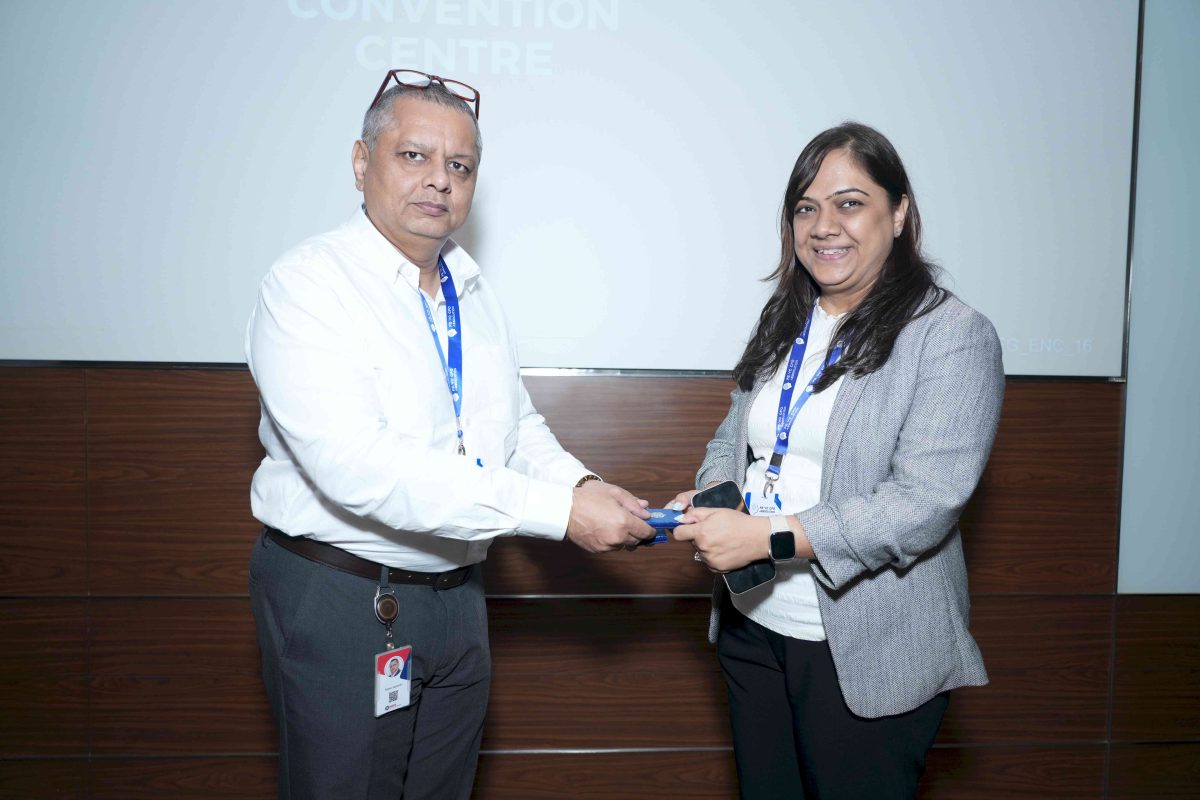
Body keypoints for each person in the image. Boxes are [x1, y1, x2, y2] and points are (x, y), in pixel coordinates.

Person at [245, 69, 655, 800]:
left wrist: (583, 485)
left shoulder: (473, 290)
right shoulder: (308, 285)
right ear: (361, 162)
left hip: (459, 595)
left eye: (460, 166)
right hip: (346, 594)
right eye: (415, 156)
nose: (440, 179)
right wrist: (559, 513)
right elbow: (358, 465)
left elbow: (514, 427)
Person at [670, 122, 1004, 800]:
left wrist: (767, 536)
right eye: (806, 207)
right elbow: (733, 438)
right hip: (752, 625)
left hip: (868, 648)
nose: (824, 226)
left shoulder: (951, 335)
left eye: (850, 203)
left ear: (899, 213)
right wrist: (713, 499)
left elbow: (924, 503)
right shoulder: (786, 320)